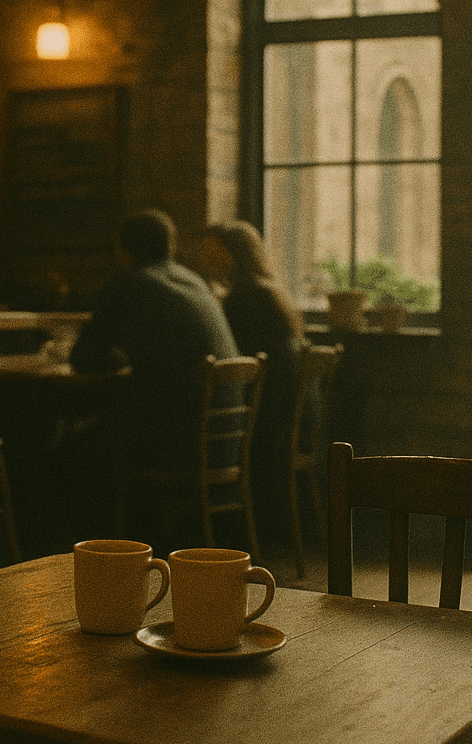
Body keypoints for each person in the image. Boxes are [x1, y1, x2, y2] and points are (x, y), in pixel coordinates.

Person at [68, 210, 239, 545]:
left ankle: (94, 555)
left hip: (175, 446)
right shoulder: (195, 282)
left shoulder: (129, 283)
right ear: (170, 246)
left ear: (123, 249)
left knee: (71, 448)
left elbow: (84, 358)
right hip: (223, 441)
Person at [197, 220, 307, 547]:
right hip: (284, 417)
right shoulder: (270, 291)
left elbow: (226, 355)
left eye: (212, 252)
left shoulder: (244, 298)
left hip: (261, 420)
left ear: (233, 255)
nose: (205, 260)